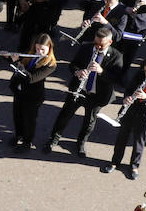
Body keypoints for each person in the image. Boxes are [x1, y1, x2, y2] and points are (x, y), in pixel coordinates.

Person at [45, 27, 122, 158]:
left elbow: (117, 79)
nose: (97, 46)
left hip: (97, 95)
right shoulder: (86, 48)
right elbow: (73, 64)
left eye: (101, 44)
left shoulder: (116, 56)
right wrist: (77, 72)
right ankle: (54, 138)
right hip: (79, 89)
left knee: (89, 122)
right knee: (65, 115)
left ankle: (81, 143)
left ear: (109, 42)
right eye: (95, 42)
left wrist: (101, 72)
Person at [102, 55, 146, 180]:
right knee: (121, 139)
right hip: (130, 113)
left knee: (139, 143)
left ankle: (134, 166)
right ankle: (115, 162)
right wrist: (127, 98)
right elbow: (129, 89)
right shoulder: (140, 76)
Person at [6, 34, 56, 150]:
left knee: (29, 120)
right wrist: (7, 56)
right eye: (37, 48)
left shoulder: (50, 65)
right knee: (17, 116)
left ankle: (27, 142)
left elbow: (31, 78)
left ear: (49, 48)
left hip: (33, 96)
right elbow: (18, 62)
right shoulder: (30, 53)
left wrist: (17, 63)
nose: (39, 52)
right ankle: (19, 135)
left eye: (42, 49)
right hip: (19, 91)